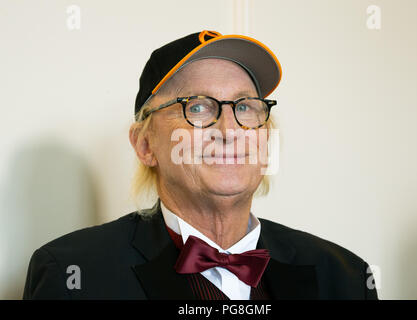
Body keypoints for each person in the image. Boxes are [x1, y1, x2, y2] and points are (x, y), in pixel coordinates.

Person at [23, 30, 378, 300]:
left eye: (244, 107)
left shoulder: (344, 277)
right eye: (197, 107)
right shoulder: (73, 275)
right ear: (145, 145)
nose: (229, 130)